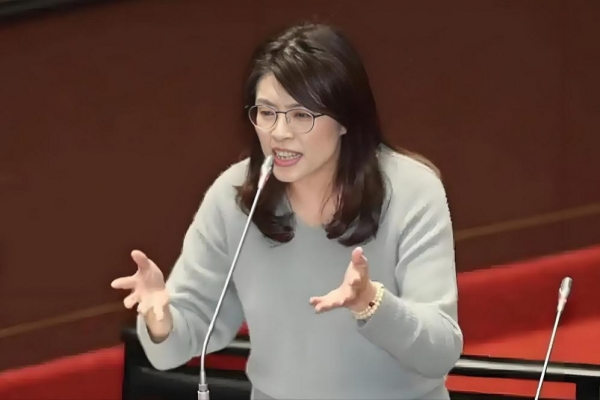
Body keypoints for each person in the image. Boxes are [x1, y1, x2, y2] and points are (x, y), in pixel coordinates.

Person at [111, 21, 463, 400]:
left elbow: (440, 352)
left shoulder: (412, 191)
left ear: (345, 119)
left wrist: (372, 304)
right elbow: (174, 346)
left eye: (300, 115)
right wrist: (161, 319)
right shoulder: (235, 199)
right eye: (266, 113)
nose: (279, 133)